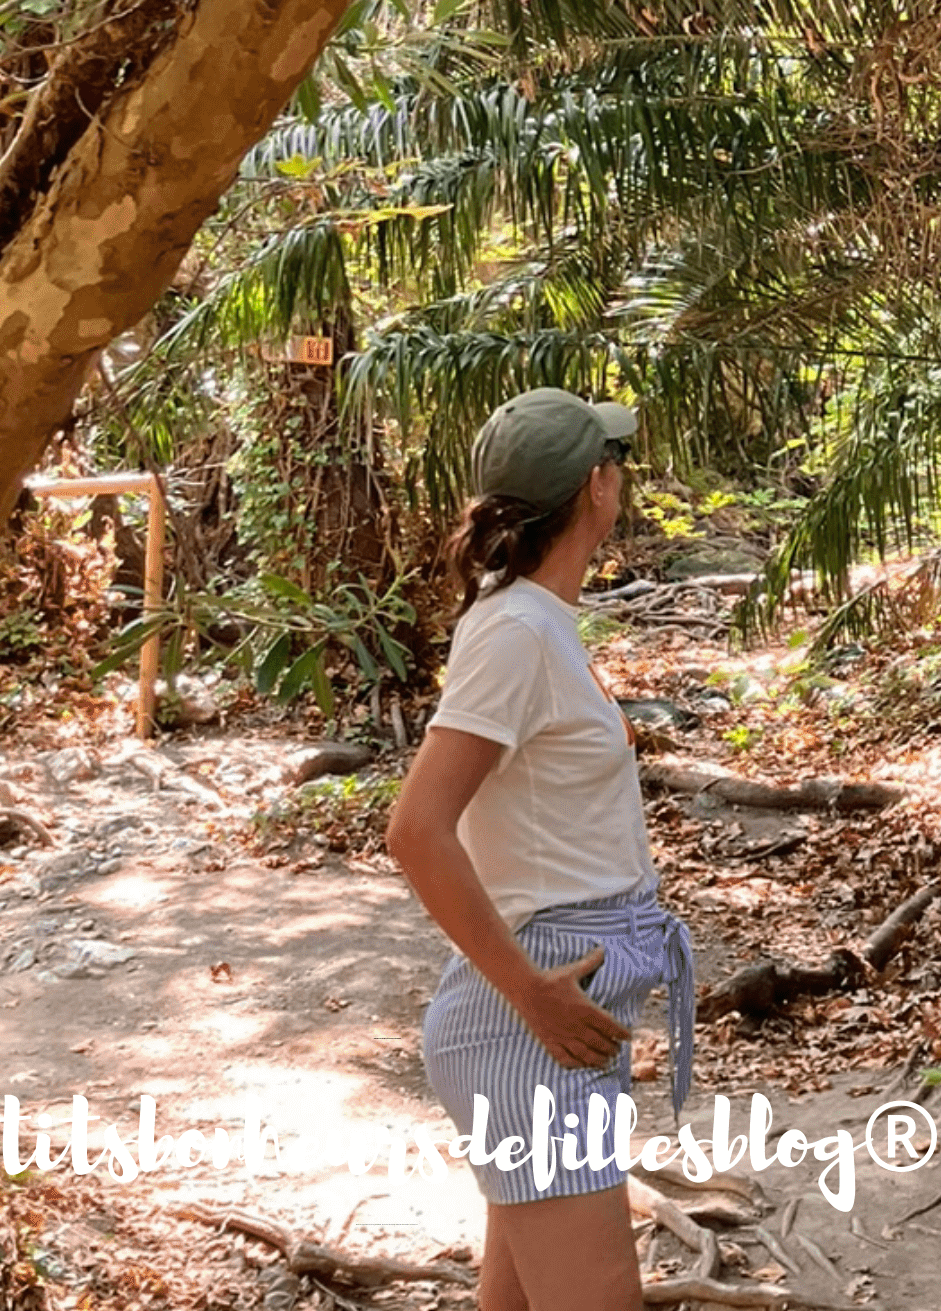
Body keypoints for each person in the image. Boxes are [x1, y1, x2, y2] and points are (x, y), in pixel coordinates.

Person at [387, 387, 695, 1311]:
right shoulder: (518, 632)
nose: (624, 478)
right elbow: (415, 830)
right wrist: (530, 995)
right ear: (597, 487)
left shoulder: (534, 620)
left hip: (552, 1024)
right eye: (619, 463)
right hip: (530, 1028)